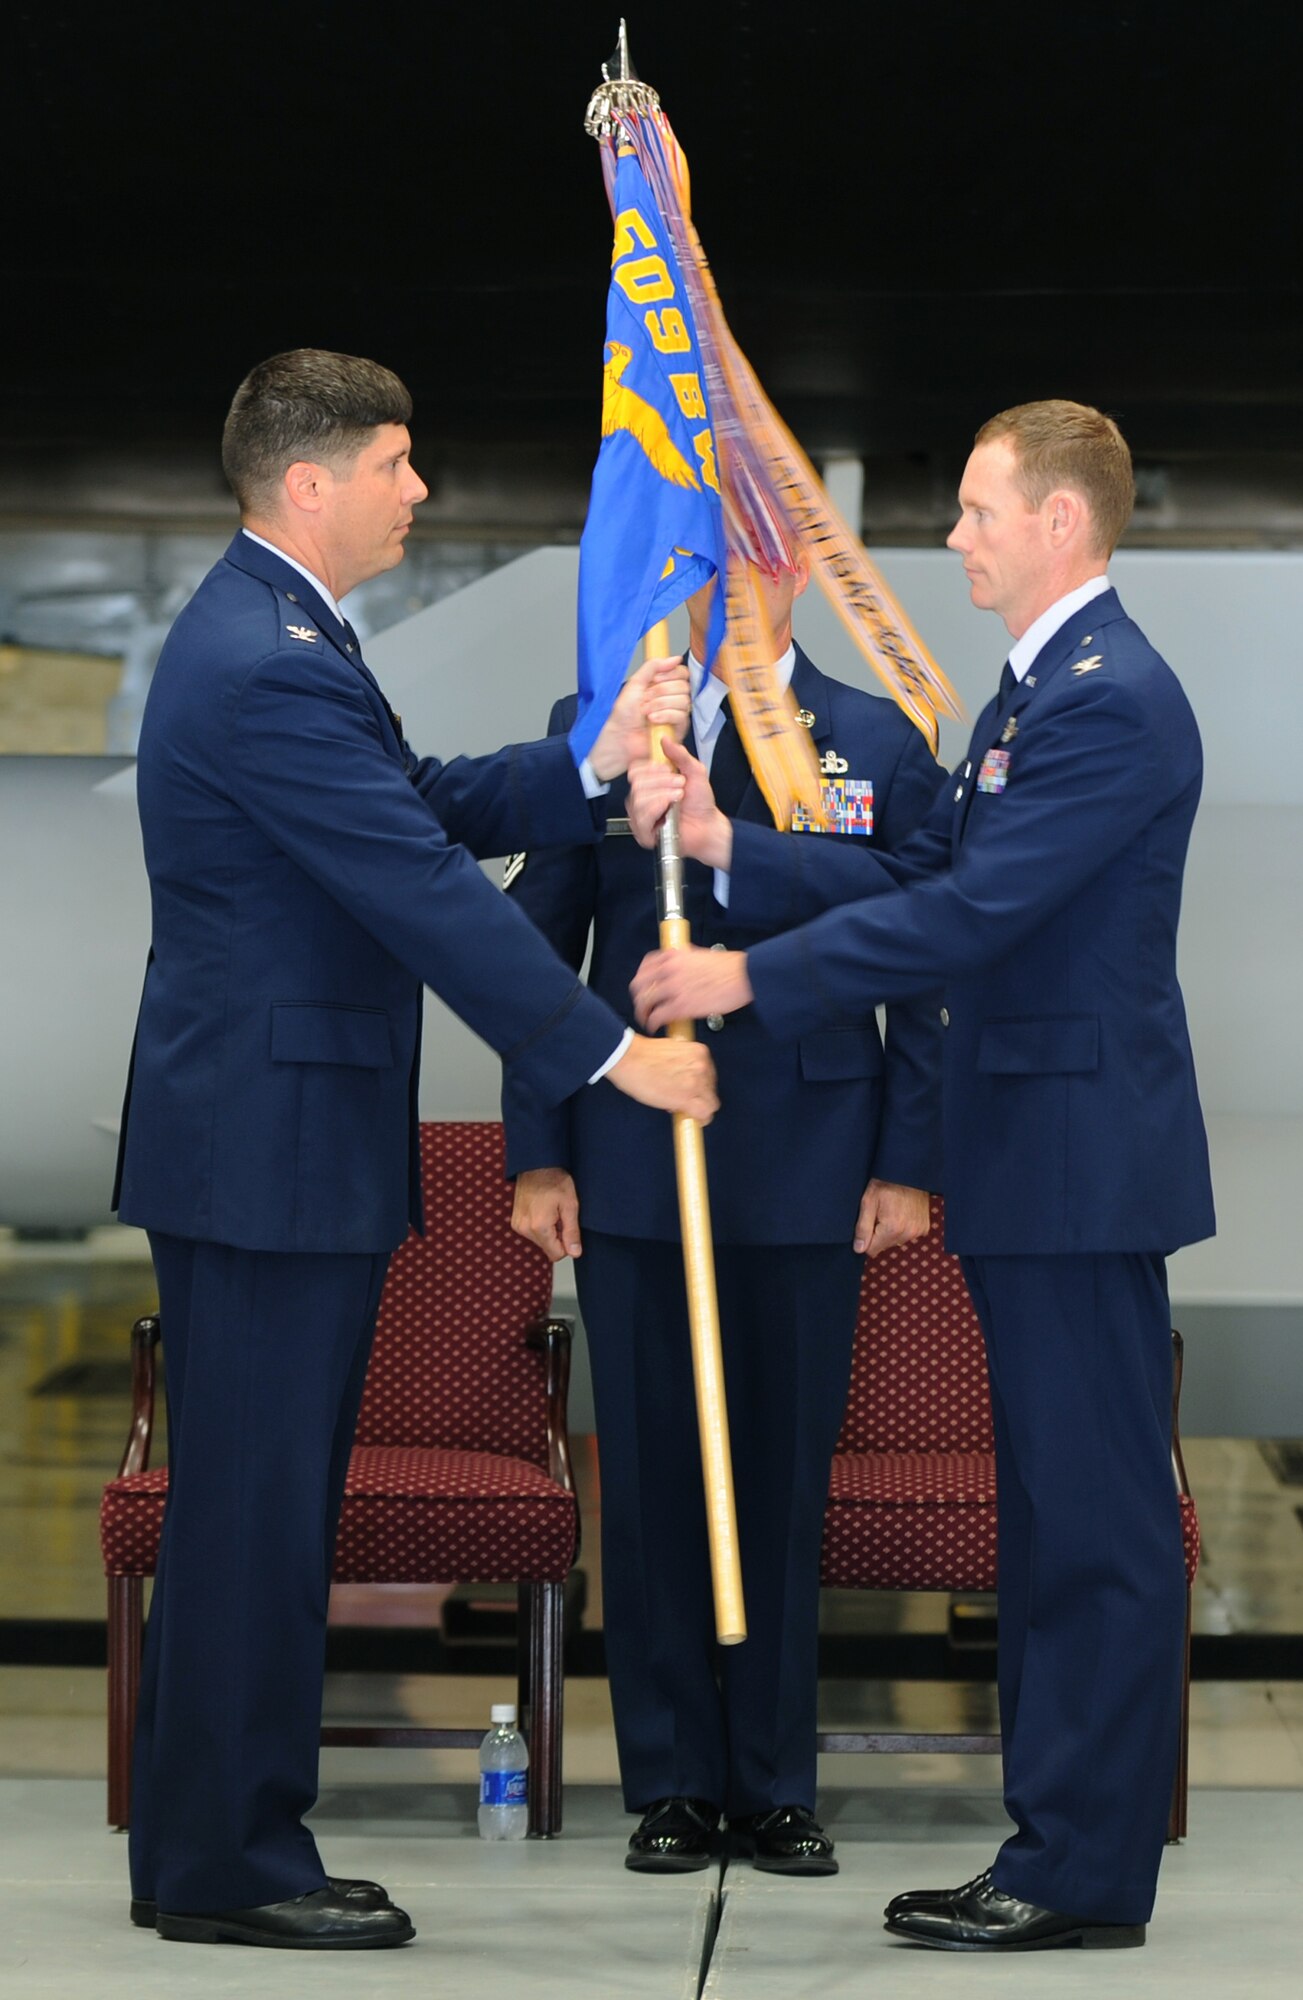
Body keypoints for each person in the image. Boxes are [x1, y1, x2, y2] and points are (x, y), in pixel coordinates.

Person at [111, 347, 717, 1951]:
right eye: (398, 462)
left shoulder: (287, 634)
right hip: (266, 1147)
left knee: (261, 1507)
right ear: (311, 483)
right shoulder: (265, 657)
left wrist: (594, 764)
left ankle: (210, 1848)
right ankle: (233, 1864)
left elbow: (422, 799)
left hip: (274, 1137)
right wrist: (606, 1052)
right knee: (253, 1513)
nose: (419, 490)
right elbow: (420, 887)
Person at [629, 400, 1214, 1950]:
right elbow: (937, 867)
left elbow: (971, 919)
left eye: (974, 510)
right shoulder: (1041, 693)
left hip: (1081, 1163)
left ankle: (1079, 1872)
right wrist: (732, 851)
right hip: (1043, 1159)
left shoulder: (1108, 699)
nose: (950, 538)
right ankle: (1054, 1848)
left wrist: (752, 982)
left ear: (1061, 526)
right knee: (1049, 1525)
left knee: (1091, 1526)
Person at [503, 558, 942, 1876]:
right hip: (637, 1158)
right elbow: (537, 949)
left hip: (814, 1156)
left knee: (781, 1483)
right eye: (698, 567)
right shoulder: (604, 729)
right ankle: (676, 1783)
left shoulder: (873, 741)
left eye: (745, 565)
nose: (721, 593)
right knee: (649, 1484)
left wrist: (909, 1159)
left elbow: (929, 940)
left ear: (792, 573)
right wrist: (538, 1152)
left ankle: (775, 1781)